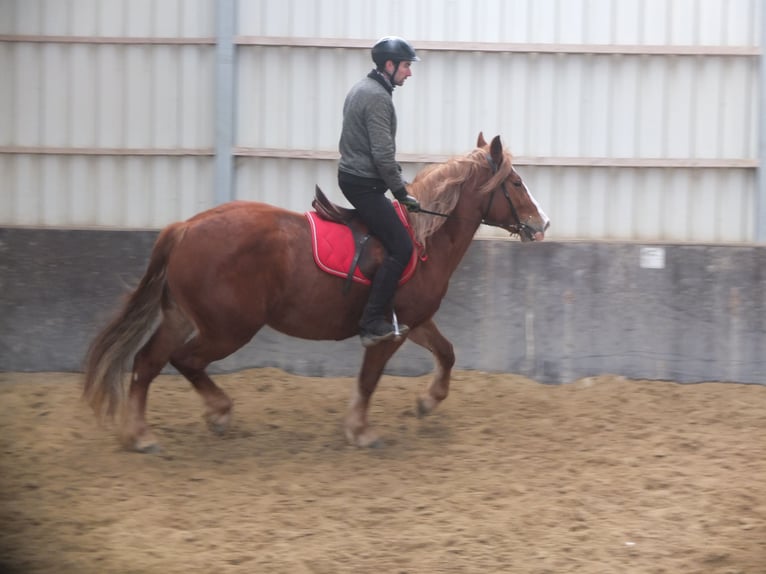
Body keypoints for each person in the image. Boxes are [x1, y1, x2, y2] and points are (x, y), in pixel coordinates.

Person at [338, 36, 422, 348]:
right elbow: (383, 157)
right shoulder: (377, 98)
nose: (409, 73)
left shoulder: (364, 88)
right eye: (406, 66)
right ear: (389, 65)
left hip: (357, 177)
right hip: (364, 184)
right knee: (401, 247)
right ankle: (372, 321)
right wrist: (402, 193)